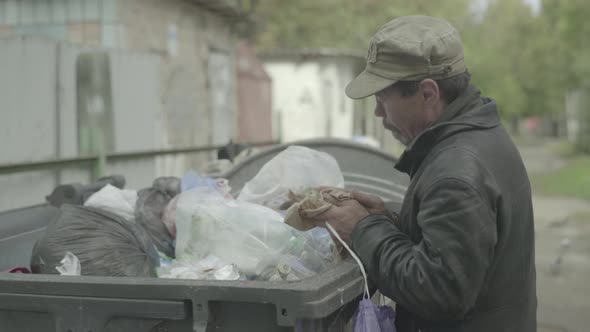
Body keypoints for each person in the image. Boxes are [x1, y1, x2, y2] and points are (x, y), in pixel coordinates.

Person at [313, 16, 537, 331]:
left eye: (382, 99)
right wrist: (392, 222)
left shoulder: (457, 173)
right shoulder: (479, 134)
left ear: (428, 94)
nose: (378, 113)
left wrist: (362, 228)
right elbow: (460, 251)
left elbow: (439, 292)